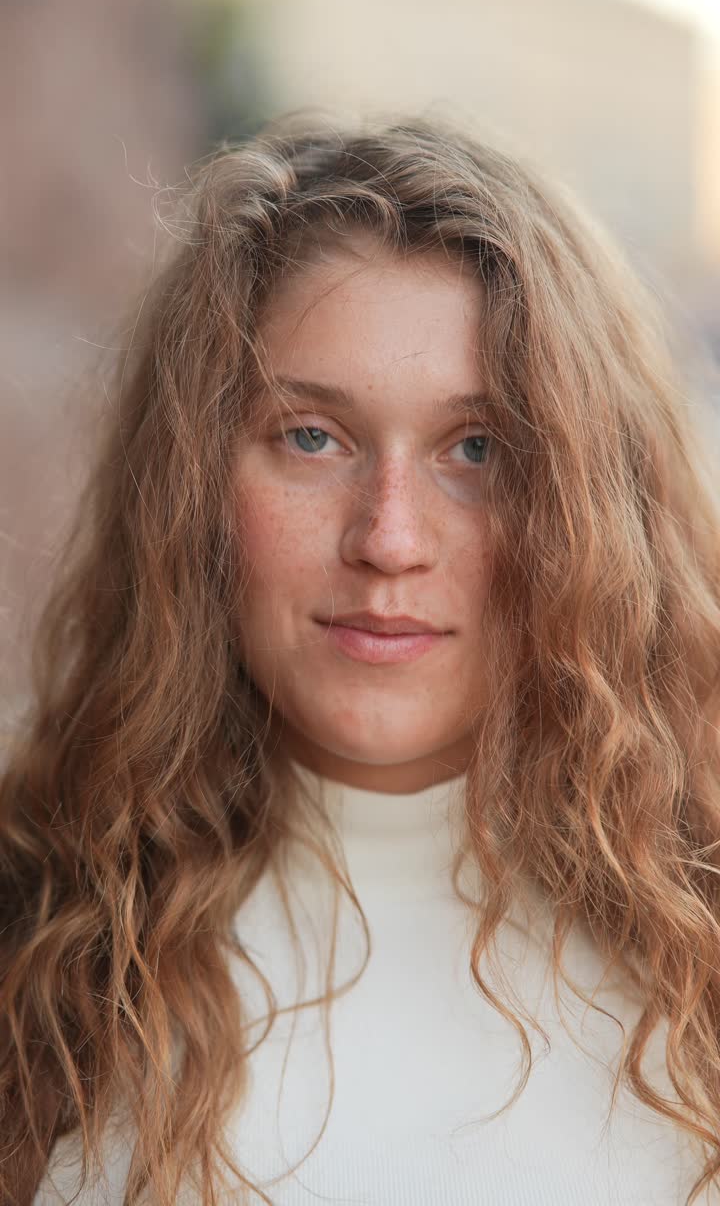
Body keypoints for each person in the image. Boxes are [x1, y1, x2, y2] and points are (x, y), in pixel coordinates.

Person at [2, 112, 720, 1206]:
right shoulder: (30, 937)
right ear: (195, 486)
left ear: (589, 507)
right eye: (311, 436)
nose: (388, 536)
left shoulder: (699, 953)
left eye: (477, 449)